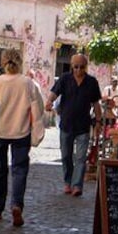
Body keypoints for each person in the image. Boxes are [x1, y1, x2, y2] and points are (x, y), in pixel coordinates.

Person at [0, 49, 44, 227]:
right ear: (20, 62)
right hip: (21, 132)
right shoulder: (28, 83)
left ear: (2, 62)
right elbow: (37, 109)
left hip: (0, 131)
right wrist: (38, 132)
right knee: (19, 170)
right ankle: (17, 204)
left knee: (0, 169)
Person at [44, 54, 103, 197]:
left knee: (81, 158)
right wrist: (49, 101)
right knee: (66, 156)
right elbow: (54, 92)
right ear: (72, 66)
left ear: (86, 67)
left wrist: (99, 122)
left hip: (83, 125)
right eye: (76, 67)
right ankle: (67, 182)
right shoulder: (65, 79)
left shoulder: (92, 82)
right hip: (66, 124)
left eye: (82, 67)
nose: (78, 70)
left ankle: (77, 185)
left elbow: (96, 104)